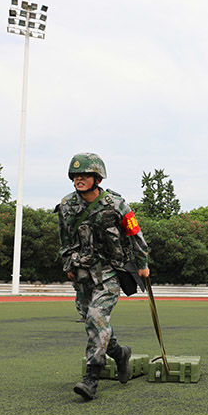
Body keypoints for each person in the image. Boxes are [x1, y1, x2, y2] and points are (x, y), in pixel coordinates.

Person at [56, 153, 150, 401]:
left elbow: (135, 235)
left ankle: (91, 379)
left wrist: (142, 264)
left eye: (85, 175)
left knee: (96, 318)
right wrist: (68, 264)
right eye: (76, 175)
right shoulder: (66, 207)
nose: (79, 179)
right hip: (82, 274)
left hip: (109, 272)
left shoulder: (116, 205)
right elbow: (65, 241)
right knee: (93, 321)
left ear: (97, 177)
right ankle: (120, 354)